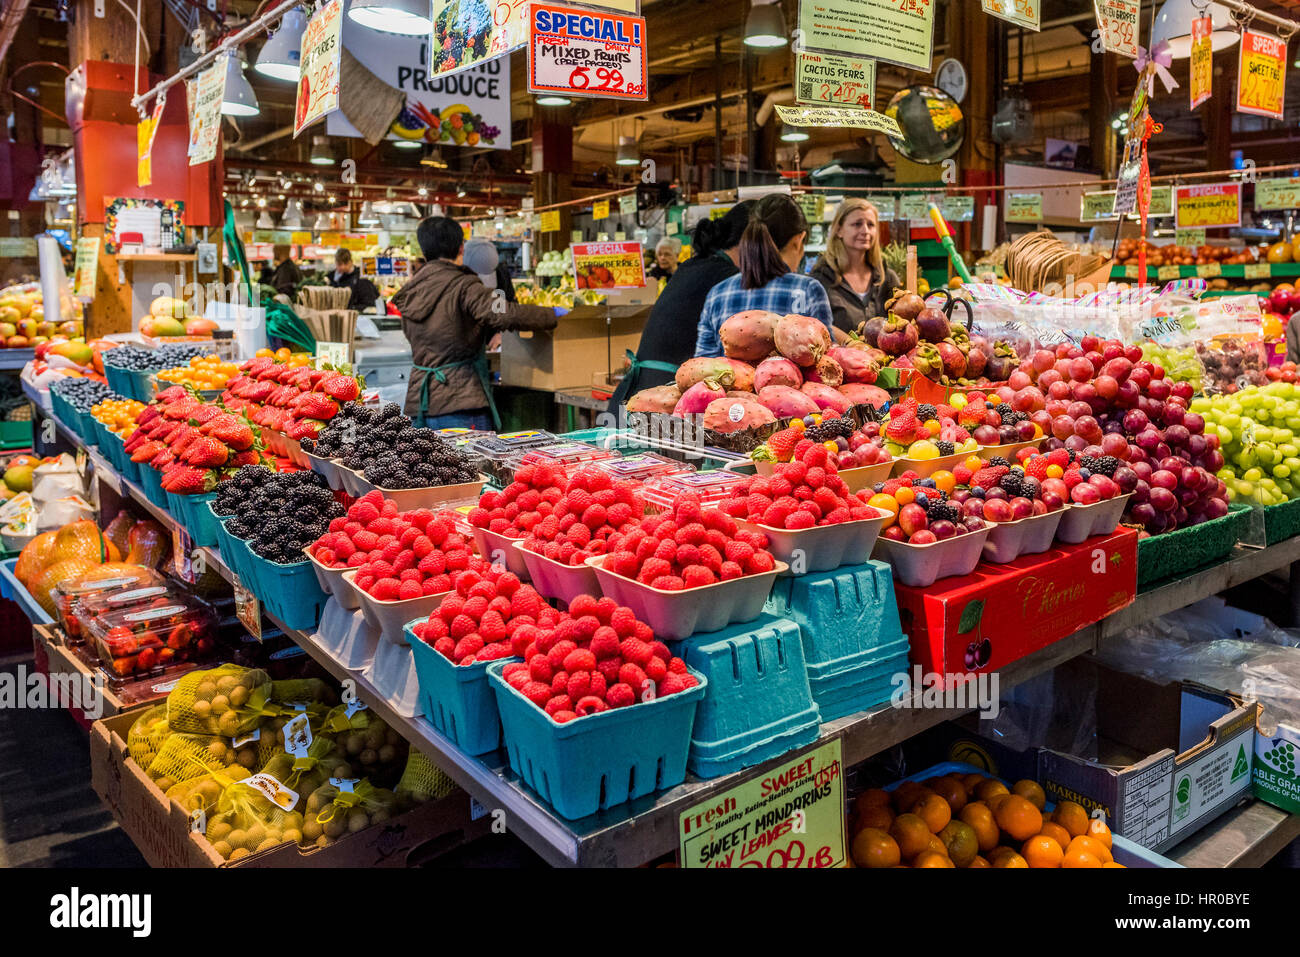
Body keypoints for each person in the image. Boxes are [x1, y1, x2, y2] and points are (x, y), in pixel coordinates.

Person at [391, 216, 560, 431]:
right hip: (460, 401)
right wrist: (551, 314)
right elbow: (504, 312)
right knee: (474, 465)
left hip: (420, 403)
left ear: (424, 251)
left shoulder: (412, 289)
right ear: (461, 248)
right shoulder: (464, 286)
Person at [608, 202, 752, 411]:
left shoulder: (694, 265)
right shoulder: (726, 279)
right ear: (750, 240)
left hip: (641, 393)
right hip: (660, 399)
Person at [694, 194, 835, 357]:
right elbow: (826, 358)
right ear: (799, 240)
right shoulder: (808, 289)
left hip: (731, 382)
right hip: (789, 382)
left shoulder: (717, 294)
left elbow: (704, 360)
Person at [811, 198, 901, 335]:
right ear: (839, 230)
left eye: (871, 225)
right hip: (837, 356)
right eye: (857, 224)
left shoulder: (887, 279)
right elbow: (816, 326)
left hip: (883, 356)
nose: (865, 231)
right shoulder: (821, 279)